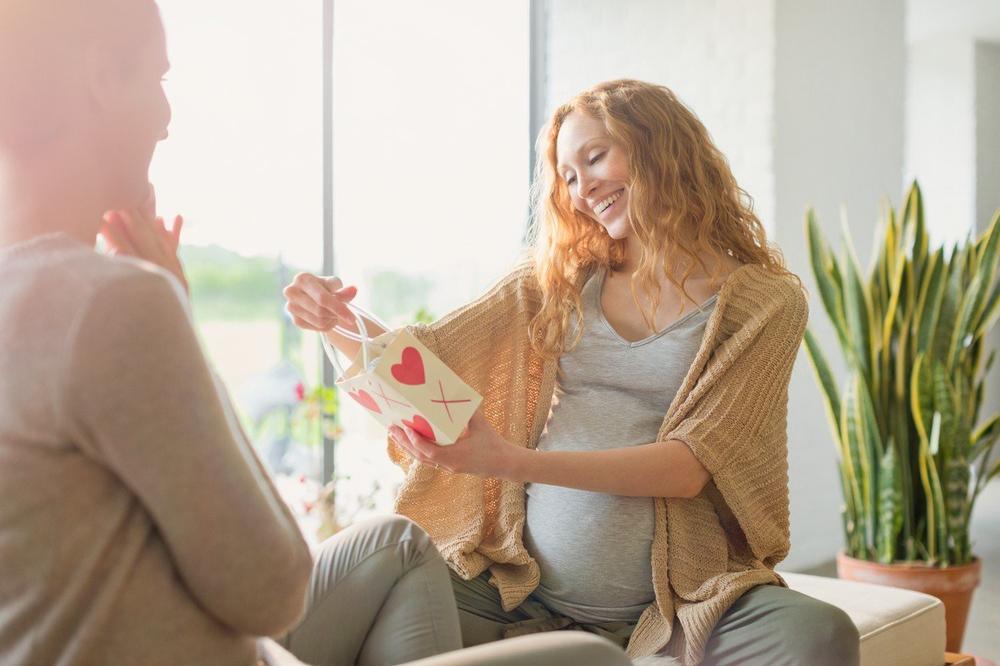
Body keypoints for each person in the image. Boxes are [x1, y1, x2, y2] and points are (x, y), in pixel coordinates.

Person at [1, 2, 631, 665]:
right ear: (101, 77)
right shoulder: (112, 305)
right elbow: (275, 591)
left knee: (395, 542)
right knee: (593, 660)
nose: (165, 118)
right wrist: (175, 312)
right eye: (157, 80)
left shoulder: (42, 296)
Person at [284, 79, 861, 666]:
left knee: (819, 632)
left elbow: (691, 466)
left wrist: (510, 461)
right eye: (567, 176)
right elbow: (432, 356)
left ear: (661, 146)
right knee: (388, 555)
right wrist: (336, 319)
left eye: (595, 157)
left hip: (675, 603)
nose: (583, 187)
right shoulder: (558, 284)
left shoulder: (762, 303)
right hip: (516, 594)